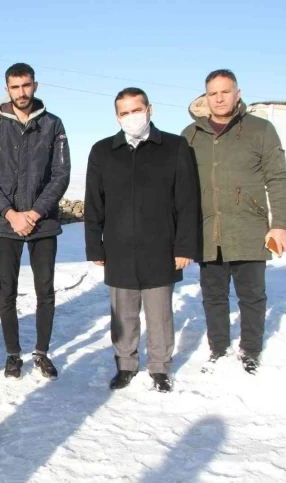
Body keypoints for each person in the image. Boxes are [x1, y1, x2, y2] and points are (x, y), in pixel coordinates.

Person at [84, 87, 199, 392]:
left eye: (136, 110)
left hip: (161, 245)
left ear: (150, 109)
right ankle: (125, 364)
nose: (131, 117)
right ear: (117, 117)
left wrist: (185, 246)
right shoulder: (103, 151)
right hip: (119, 247)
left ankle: (160, 367)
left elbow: (188, 201)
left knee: (159, 315)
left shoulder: (174, 147)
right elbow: (94, 202)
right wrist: (95, 245)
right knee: (123, 314)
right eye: (125, 112)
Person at [182, 69, 286, 374]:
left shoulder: (260, 130)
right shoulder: (190, 135)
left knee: (252, 296)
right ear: (206, 97)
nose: (219, 98)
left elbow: (277, 178)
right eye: (213, 93)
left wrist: (281, 224)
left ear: (237, 94)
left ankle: (251, 350)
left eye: (225, 92)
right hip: (208, 230)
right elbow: (179, 186)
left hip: (249, 228)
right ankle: (218, 348)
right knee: (213, 296)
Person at [0, 63, 71, 380]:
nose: (22, 92)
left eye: (26, 85)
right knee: (7, 291)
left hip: (42, 223)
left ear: (35, 85)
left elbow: (61, 175)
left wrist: (34, 213)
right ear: (7, 89)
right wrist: (10, 213)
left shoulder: (53, 124)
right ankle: (12, 355)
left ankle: (41, 352)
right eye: (15, 86)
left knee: (45, 290)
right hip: (6, 224)